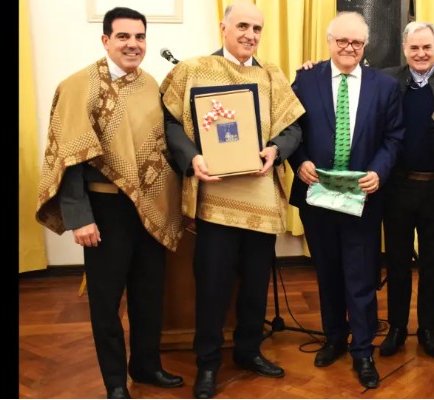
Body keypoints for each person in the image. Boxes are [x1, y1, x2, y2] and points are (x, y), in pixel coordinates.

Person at [35, 7, 184, 399]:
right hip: (104, 211)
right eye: (123, 37)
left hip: (150, 208)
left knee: (149, 293)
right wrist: (80, 218)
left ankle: (147, 366)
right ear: (106, 41)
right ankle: (115, 381)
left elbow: (161, 146)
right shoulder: (79, 86)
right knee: (106, 300)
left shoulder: (151, 84)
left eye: (139, 37)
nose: (133, 45)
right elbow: (69, 156)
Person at [159, 2, 305, 398]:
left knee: (256, 285)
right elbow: (170, 124)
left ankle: (247, 351)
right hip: (216, 200)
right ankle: (207, 363)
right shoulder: (193, 70)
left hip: (260, 200)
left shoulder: (271, 75)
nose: (249, 34)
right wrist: (193, 158)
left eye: (257, 28)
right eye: (242, 25)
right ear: (223, 27)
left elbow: (294, 129)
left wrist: (276, 149)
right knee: (213, 286)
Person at [288, 11, 404, 389]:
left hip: (362, 200)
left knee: (360, 275)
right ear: (329, 41)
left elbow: (393, 138)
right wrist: (300, 161)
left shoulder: (384, 87)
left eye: (356, 42)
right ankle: (335, 337)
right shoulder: (305, 80)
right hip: (317, 195)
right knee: (327, 271)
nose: (349, 48)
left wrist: (379, 172)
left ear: (365, 46)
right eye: (342, 41)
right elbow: (289, 129)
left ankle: (363, 351)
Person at [376, 21, 434, 359]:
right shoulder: (386, 79)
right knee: (397, 262)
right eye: (414, 48)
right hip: (397, 187)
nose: (421, 53)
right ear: (405, 49)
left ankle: (428, 329)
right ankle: (397, 328)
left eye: (427, 47)